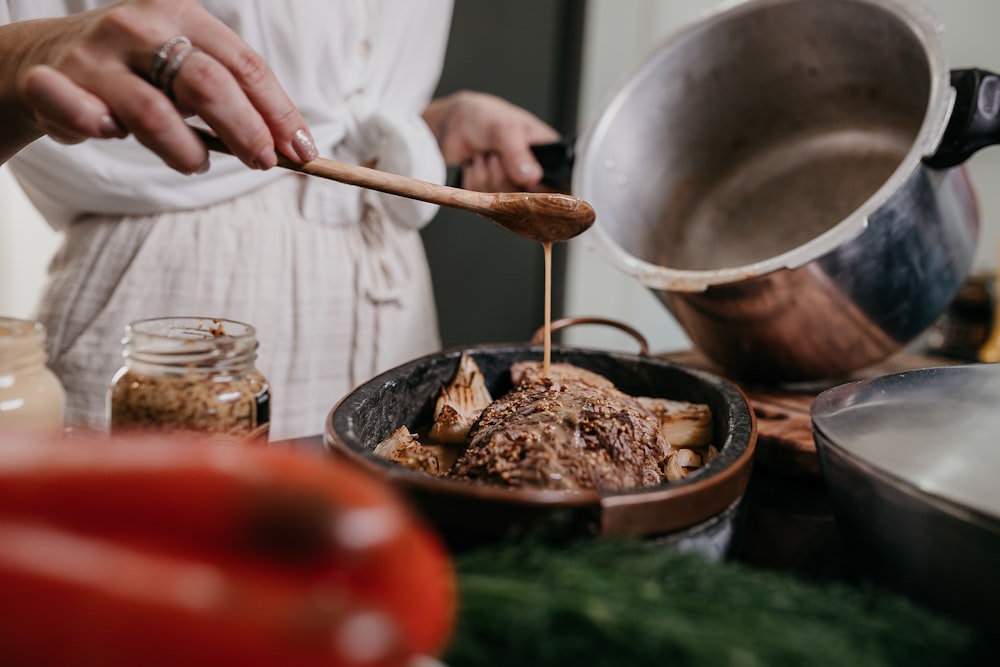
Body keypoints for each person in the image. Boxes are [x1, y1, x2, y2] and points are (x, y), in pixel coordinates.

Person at [0, 0, 561, 440]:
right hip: (166, 313)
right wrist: (24, 54)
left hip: (391, 314)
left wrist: (427, 127)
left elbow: (330, 90)